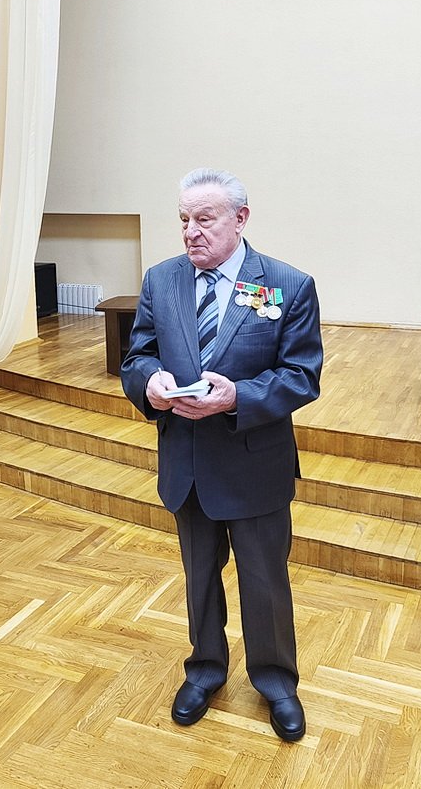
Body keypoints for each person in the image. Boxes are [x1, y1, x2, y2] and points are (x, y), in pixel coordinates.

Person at [119, 167, 323, 742]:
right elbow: (136, 357)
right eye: (184, 219)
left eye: (204, 219)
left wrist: (239, 397)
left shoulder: (286, 285)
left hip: (254, 464)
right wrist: (149, 383)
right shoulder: (162, 280)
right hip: (187, 465)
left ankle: (276, 682)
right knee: (199, 579)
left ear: (241, 218)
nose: (191, 231)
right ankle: (205, 670)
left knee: (264, 581)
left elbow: (302, 375)